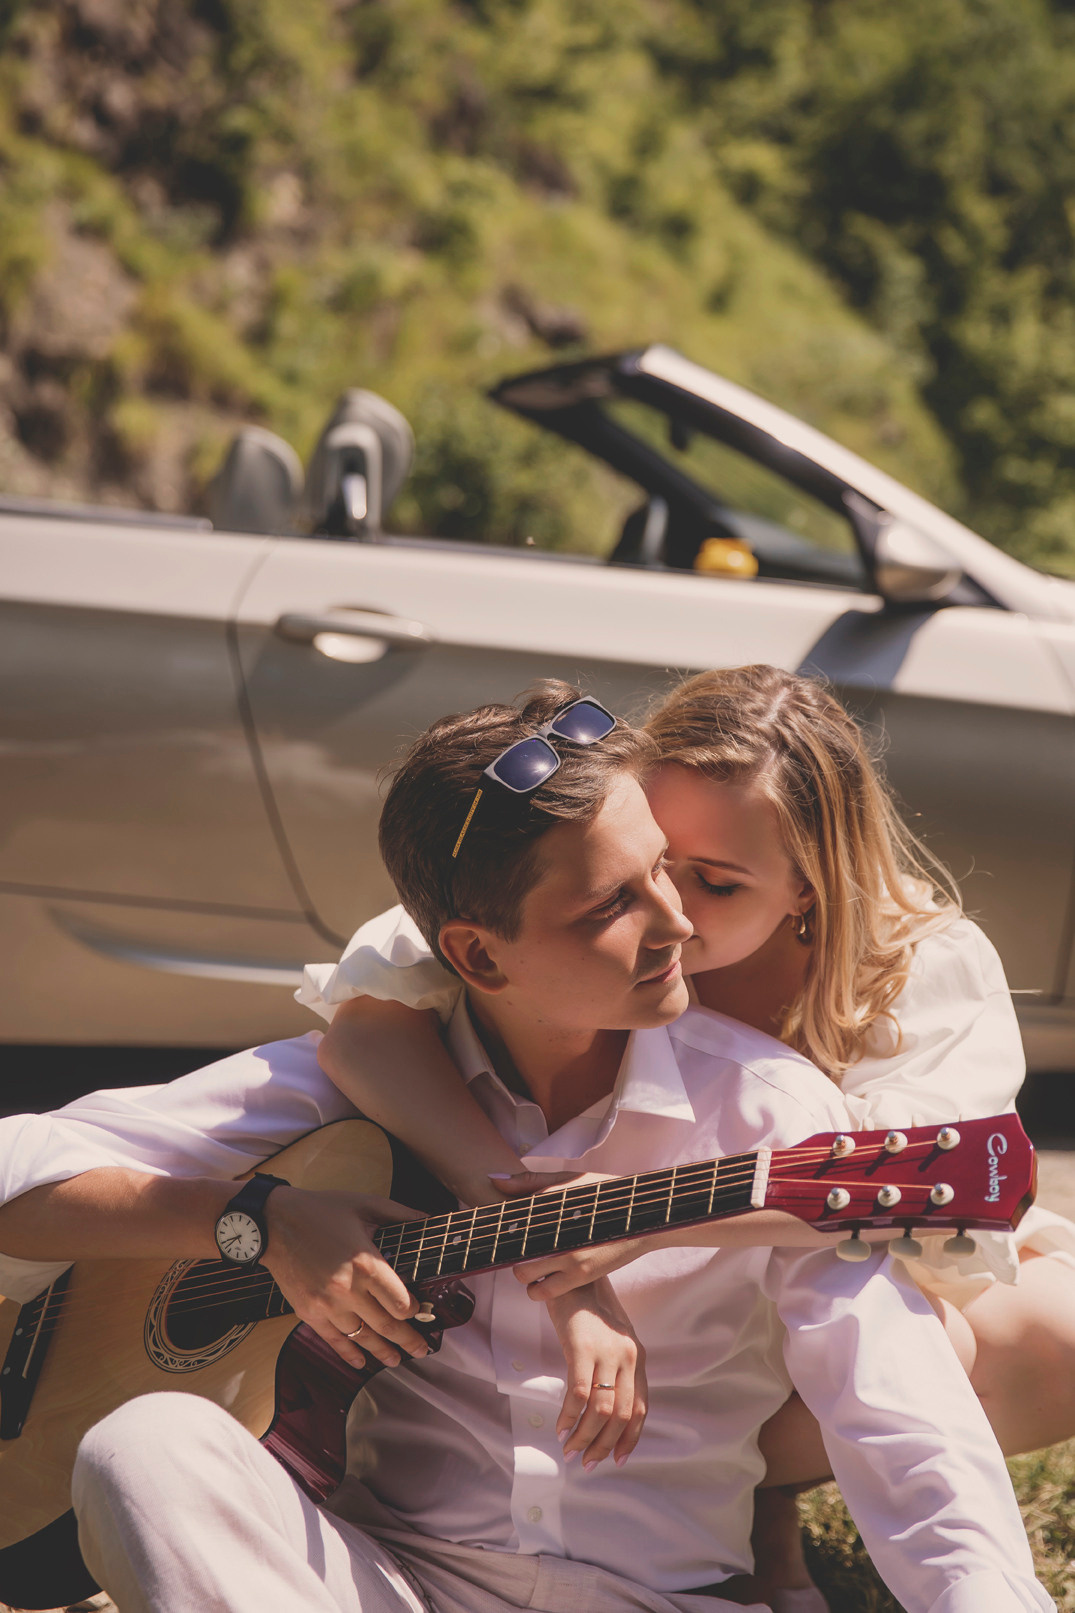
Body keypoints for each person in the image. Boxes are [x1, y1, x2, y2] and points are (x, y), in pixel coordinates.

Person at [0, 682, 1053, 1612]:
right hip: (386, 1575)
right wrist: (260, 1221)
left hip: (654, 1593)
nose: (675, 922)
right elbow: (21, 1168)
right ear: (473, 953)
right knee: (140, 1447)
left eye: (671, 876)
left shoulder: (778, 1114)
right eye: (615, 901)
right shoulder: (354, 1084)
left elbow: (906, 1429)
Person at [296, 667, 1075, 1606]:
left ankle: (757, 1496)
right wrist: (543, 1229)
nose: (666, 907)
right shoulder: (584, 876)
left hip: (789, 1270)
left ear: (808, 887)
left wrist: (645, 1225)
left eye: (712, 882)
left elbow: (916, 1193)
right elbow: (364, 1026)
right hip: (581, 1292)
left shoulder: (921, 962)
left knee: (981, 1331)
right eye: (655, 857)